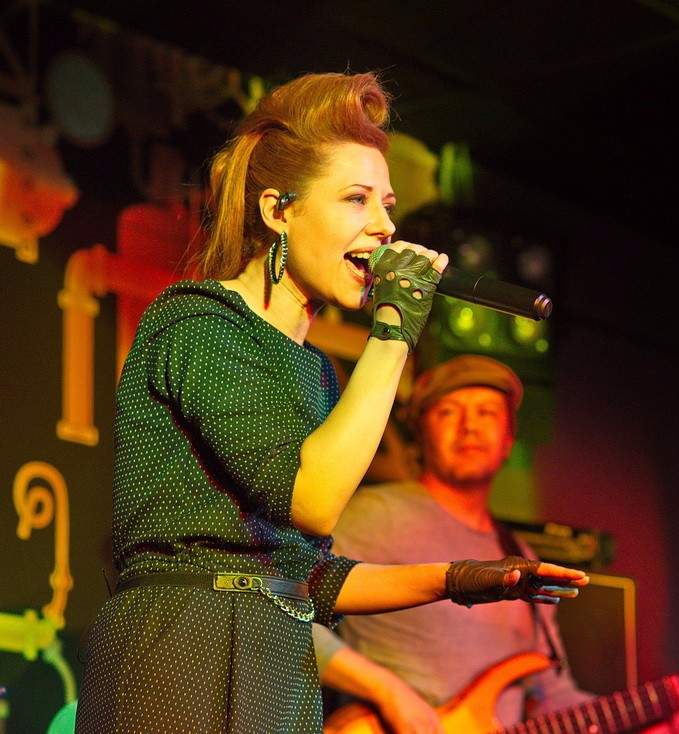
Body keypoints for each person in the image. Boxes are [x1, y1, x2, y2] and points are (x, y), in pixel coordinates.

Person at [75, 72, 587, 734]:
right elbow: (311, 500)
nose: (385, 227)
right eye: (356, 200)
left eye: (388, 205)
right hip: (181, 648)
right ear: (278, 211)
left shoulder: (318, 371)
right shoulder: (198, 324)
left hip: (275, 662)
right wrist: (396, 327)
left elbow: (310, 575)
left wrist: (460, 579)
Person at [315, 355, 679, 734]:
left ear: (509, 440)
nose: (469, 426)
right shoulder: (375, 515)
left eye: (486, 413)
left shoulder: (521, 558)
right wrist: (389, 692)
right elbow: (287, 607)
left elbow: (553, 698)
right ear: (421, 433)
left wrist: (677, 724)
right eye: (448, 412)